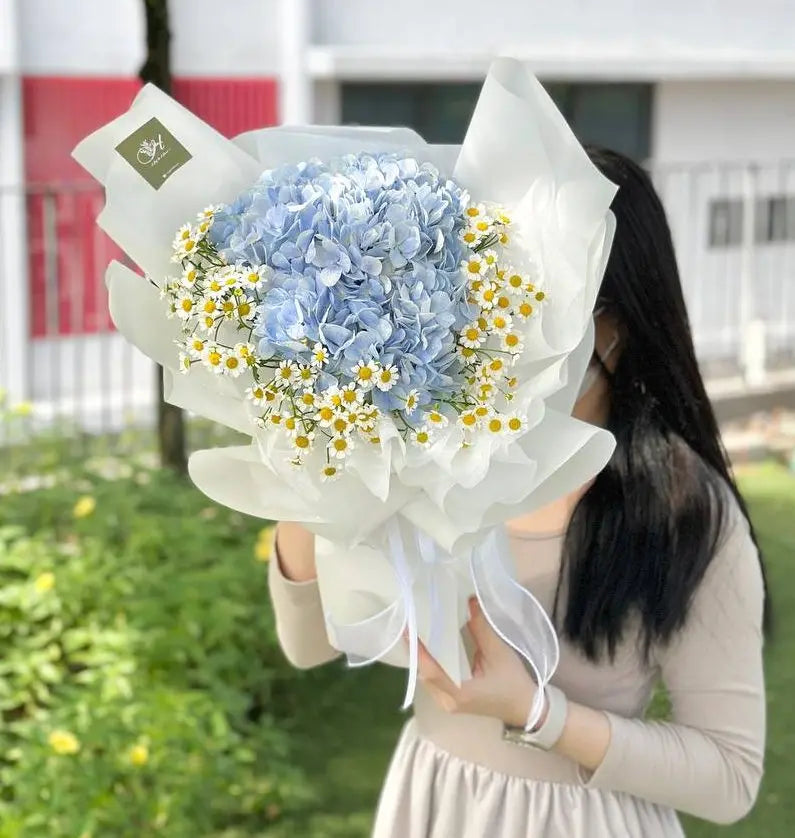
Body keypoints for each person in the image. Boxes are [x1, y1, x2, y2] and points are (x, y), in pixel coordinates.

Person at [268, 147, 768, 837]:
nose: (495, 326)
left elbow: (729, 776)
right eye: (480, 289)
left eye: (533, 300)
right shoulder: (429, 445)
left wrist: (538, 715)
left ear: (615, 324)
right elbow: (309, 644)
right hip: (432, 806)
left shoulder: (682, 507)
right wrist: (309, 459)